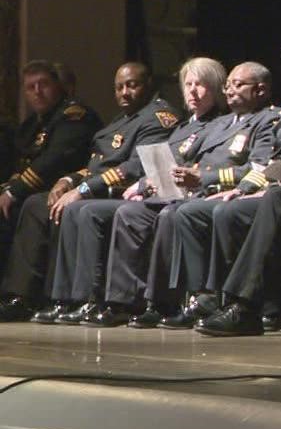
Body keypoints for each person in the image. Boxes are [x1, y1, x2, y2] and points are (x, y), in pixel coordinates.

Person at [59, 58, 228, 326]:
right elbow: (158, 165)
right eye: (188, 84)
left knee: (157, 215)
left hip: (196, 195)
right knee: (130, 213)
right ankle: (120, 301)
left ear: (218, 88)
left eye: (201, 85)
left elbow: (212, 166)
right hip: (166, 193)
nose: (193, 91)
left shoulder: (223, 123)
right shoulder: (184, 127)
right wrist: (146, 184)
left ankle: (160, 302)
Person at [8, 63, 176, 319]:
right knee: (38, 204)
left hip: (129, 192)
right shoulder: (121, 120)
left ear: (149, 84)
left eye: (132, 85)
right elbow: (97, 164)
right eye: (119, 87)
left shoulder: (158, 117)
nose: (125, 92)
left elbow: (135, 166)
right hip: (100, 188)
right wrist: (67, 181)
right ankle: (46, 296)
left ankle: (86, 296)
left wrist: (83, 189)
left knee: (80, 210)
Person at [173, 40, 281, 333]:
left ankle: (245, 306)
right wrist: (244, 190)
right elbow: (267, 163)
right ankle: (268, 301)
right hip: (278, 190)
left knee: (275, 198)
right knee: (229, 211)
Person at [0, 61, 103, 318]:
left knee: (32, 204)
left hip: (68, 188)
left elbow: (53, 161)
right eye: (30, 87)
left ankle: (21, 297)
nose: (37, 92)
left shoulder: (74, 116)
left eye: (43, 85)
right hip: (33, 192)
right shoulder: (32, 125)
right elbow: (19, 162)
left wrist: (14, 192)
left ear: (57, 86)